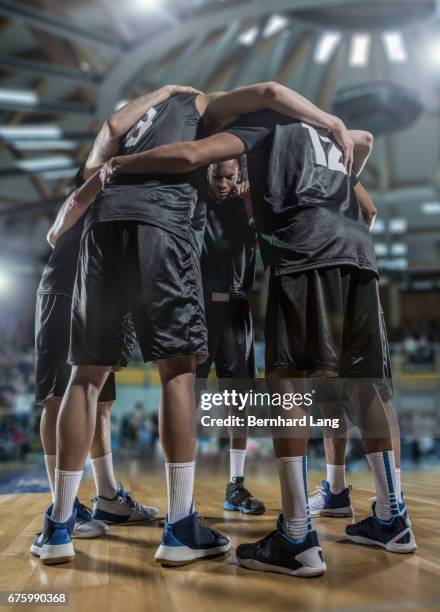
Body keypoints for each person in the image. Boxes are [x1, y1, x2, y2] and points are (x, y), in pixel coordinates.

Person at [41, 81, 355, 567]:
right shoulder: (201, 105)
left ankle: (58, 528)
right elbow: (270, 91)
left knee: (85, 376)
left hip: (102, 229)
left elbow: (103, 140)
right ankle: (181, 525)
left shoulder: (133, 115)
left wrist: (155, 95)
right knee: (180, 373)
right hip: (160, 226)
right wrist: (330, 120)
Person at [105, 109, 416, 576]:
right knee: (366, 383)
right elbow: (368, 196)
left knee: (286, 384)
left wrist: (124, 162)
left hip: (304, 257)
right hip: (358, 258)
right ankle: (393, 517)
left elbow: (190, 152)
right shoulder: (327, 142)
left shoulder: (263, 126)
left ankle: (296, 535)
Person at [32, 84, 201, 564]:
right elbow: (60, 223)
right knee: (63, 393)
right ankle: (63, 511)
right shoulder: (103, 165)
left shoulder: (129, 174)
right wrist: (166, 91)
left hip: (101, 272)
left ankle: (104, 497)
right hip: (68, 281)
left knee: (98, 393)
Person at [194, 157, 264, 515]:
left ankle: (236, 486)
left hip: (237, 308)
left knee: (239, 403)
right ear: (207, 173)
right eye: (216, 175)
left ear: (240, 176)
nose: (222, 182)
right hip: (198, 309)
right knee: (187, 396)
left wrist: (249, 193)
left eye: (229, 177)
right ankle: (182, 491)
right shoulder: (194, 200)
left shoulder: (246, 203)